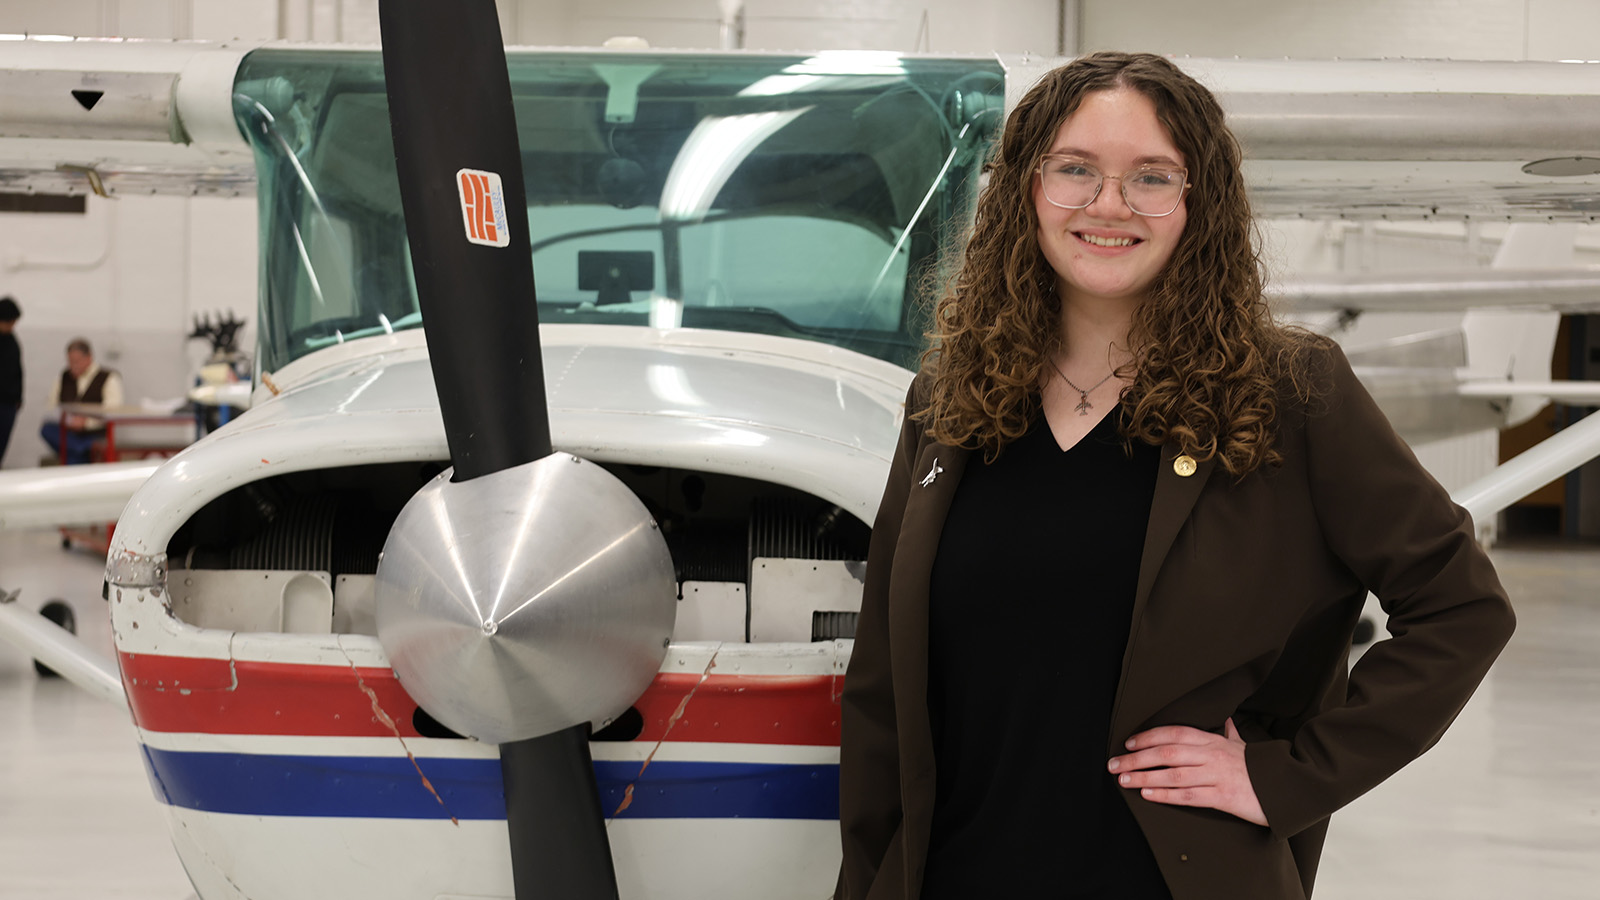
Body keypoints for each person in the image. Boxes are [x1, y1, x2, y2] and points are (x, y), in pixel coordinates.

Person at [835, 52, 1515, 900]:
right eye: (1075, 170)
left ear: (1199, 202)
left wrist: (1286, 777)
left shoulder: (1291, 395)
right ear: (1024, 190)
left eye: (1151, 177)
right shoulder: (949, 403)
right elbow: (882, 697)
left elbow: (1462, 605)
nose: (1108, 205)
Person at [41, 337, 123, 464]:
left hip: (95, 434)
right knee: (47, 429)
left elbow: (113, 410)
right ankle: (81, 449)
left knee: (73, 456)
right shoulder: (63, 377)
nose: (73, 366)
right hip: (69, 432)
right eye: (70, 361)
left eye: (77, 361)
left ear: (89, 357)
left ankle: (79, 452)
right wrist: (69, 421)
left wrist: (86, 423)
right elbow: (51, 405)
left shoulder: (109, 377)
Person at [0, 297, 20, 462]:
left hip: (9, 403)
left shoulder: (12, 340)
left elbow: (18, 370)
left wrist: (19, 397)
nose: (12, 326)